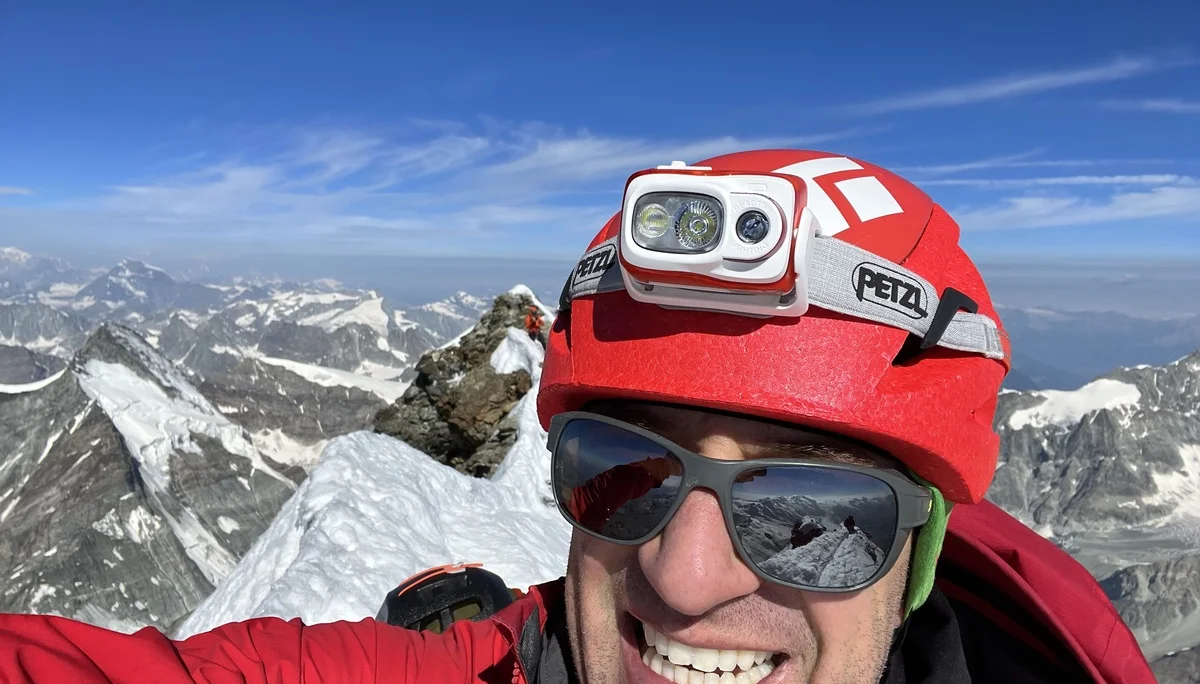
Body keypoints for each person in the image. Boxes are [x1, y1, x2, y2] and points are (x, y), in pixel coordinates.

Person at [0, 149, 1156, 683]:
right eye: (619, 470)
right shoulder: (490, 665)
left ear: (916, 563)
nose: (685, 578)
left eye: (809, 512)